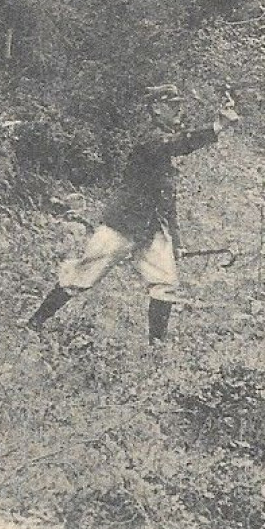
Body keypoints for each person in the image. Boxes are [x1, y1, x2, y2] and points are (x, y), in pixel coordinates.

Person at [26, 84, 239, 341]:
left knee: (165, 284)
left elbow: (167, 197)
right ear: (156, 108)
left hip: (151, 228)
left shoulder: (167, 141)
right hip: (122, 223)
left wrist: (176, 240)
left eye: (180, 105)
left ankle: (156, 348)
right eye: (173, 106)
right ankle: (34, 324)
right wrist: (216, 127)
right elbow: (177, 144)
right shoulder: (149, 137)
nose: (179, 110)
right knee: (82, 275)